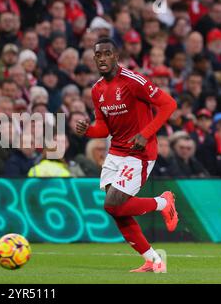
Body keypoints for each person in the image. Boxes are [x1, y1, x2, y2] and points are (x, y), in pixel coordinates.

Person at [75, 38, 178, 273]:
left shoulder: (133, 81)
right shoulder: (97, 90)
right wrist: (88, 131)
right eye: (97, 54)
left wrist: (146, 133)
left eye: (107, 53)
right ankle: (153, 260)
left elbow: (169, 104)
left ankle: (163, 202)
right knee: (115, 210)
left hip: (140, 153)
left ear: (116, 56)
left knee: (113, 203)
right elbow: (104, 127)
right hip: (116, 152)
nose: (102, 58)